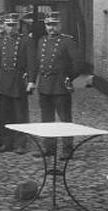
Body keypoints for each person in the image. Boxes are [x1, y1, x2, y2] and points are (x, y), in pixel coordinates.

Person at [34, 12, 81, 159]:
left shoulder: (67, 41)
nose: (51, 28)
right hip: (44, 86)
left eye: (54, 25)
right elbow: (38, 62)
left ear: (60, 25)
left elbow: (78, 64)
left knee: (65, 119)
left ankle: (67, 149)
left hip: (60, 86)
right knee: (46, 119)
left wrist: (68, 78)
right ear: (45, 26)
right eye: (49, 25)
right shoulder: (41, 41)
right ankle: (49, 148)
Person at [0, 13, 37, 153]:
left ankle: (21, 143)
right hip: (3, 80)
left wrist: (31, 81)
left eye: (13, 25)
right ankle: (7, 142)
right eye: (8, 25)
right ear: (4, 26)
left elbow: (31, 63)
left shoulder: (26, 41)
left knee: (20, 114)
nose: (11, 28)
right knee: (5, 114)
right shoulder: (0, 42)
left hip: (18, 81)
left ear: (18, 26)